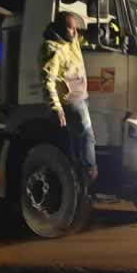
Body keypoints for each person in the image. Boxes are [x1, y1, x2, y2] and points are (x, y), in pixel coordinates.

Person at [41, 11, 98, 182]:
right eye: (71, 28)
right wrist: (57, 108)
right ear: (60, 28)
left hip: (81, 97)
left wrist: (98, 33)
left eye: (75, 28)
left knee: (76, 140)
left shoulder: (71, 41)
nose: (75, 32)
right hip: (71, 101)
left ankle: (77, 178)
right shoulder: (53, 49)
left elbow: (84, 38)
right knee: (87, 135)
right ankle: (90, 170)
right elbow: (48, 82)